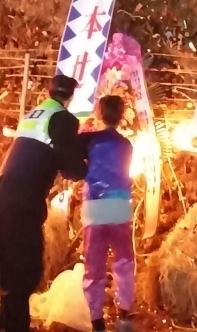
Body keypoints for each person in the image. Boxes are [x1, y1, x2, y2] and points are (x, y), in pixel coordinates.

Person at [0, 74, 87, 332]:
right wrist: (90, 168)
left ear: (49, 91)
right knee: (28, 269)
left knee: (9, 268)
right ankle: (15, 326)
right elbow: (70, 167)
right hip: (23, 199)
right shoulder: (64, 119)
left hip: (1, 193)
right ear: (71, 96)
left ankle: (5, 321)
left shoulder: (34, 114)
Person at [79, 95, 135, 332]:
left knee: (94, 264)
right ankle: (124, 313)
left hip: (95, 208)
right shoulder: (126, 145)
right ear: (122, 115)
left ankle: (96, 319)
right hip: (120, 206)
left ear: (100, 113)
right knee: (124, 261)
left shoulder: (88, 140)